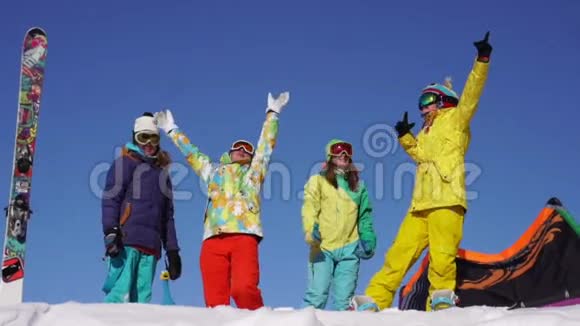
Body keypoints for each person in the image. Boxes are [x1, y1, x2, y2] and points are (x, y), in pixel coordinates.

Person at [361, 31, 493, 311]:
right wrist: (405, 137)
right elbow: (420, 156)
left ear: (443, 101)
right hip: (420, 204)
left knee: (443, 255)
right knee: (399, 253)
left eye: (426, 101)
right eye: (420, 102)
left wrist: (481, 61)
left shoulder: (456, 120)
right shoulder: (425, 132)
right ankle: (376, 297)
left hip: (447, 199)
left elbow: (471, 95)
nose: (421, 109)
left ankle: (441, 298)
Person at [154, 91, 290, 310]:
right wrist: (172, 129)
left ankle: (262, 321)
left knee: (243, 289)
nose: (243, 151)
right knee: (216, 303)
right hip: (213, 239)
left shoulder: (254, 174)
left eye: (248, 149)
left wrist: (272, 114)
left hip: (244, 235)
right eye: (239, 147)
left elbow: (265, 147)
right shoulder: (213, 171)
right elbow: (192, 154)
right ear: (230, 152)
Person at [101, 112, 182, 303]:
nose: (148, 144)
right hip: (125, 241)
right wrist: (111, 231)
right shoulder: (125, 163)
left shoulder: (163, 175)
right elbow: (111, 199)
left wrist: (172, 250)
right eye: (142, 137)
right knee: (121, 294)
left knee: (142, 300)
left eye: (153, 138)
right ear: (135, 138)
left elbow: (167, 218)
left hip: (151, 248)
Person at [301, 139, 376, 311]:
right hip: (323, 246)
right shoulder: (318, 181)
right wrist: (311, 230)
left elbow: (365, 216)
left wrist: (368, 239)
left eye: (348, 151)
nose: (344, 154)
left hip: (350, 249)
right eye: (339, 150)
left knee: (344, 301)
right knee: (317, 295)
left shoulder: (358, 187)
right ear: (329, 156)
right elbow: (310, 206)